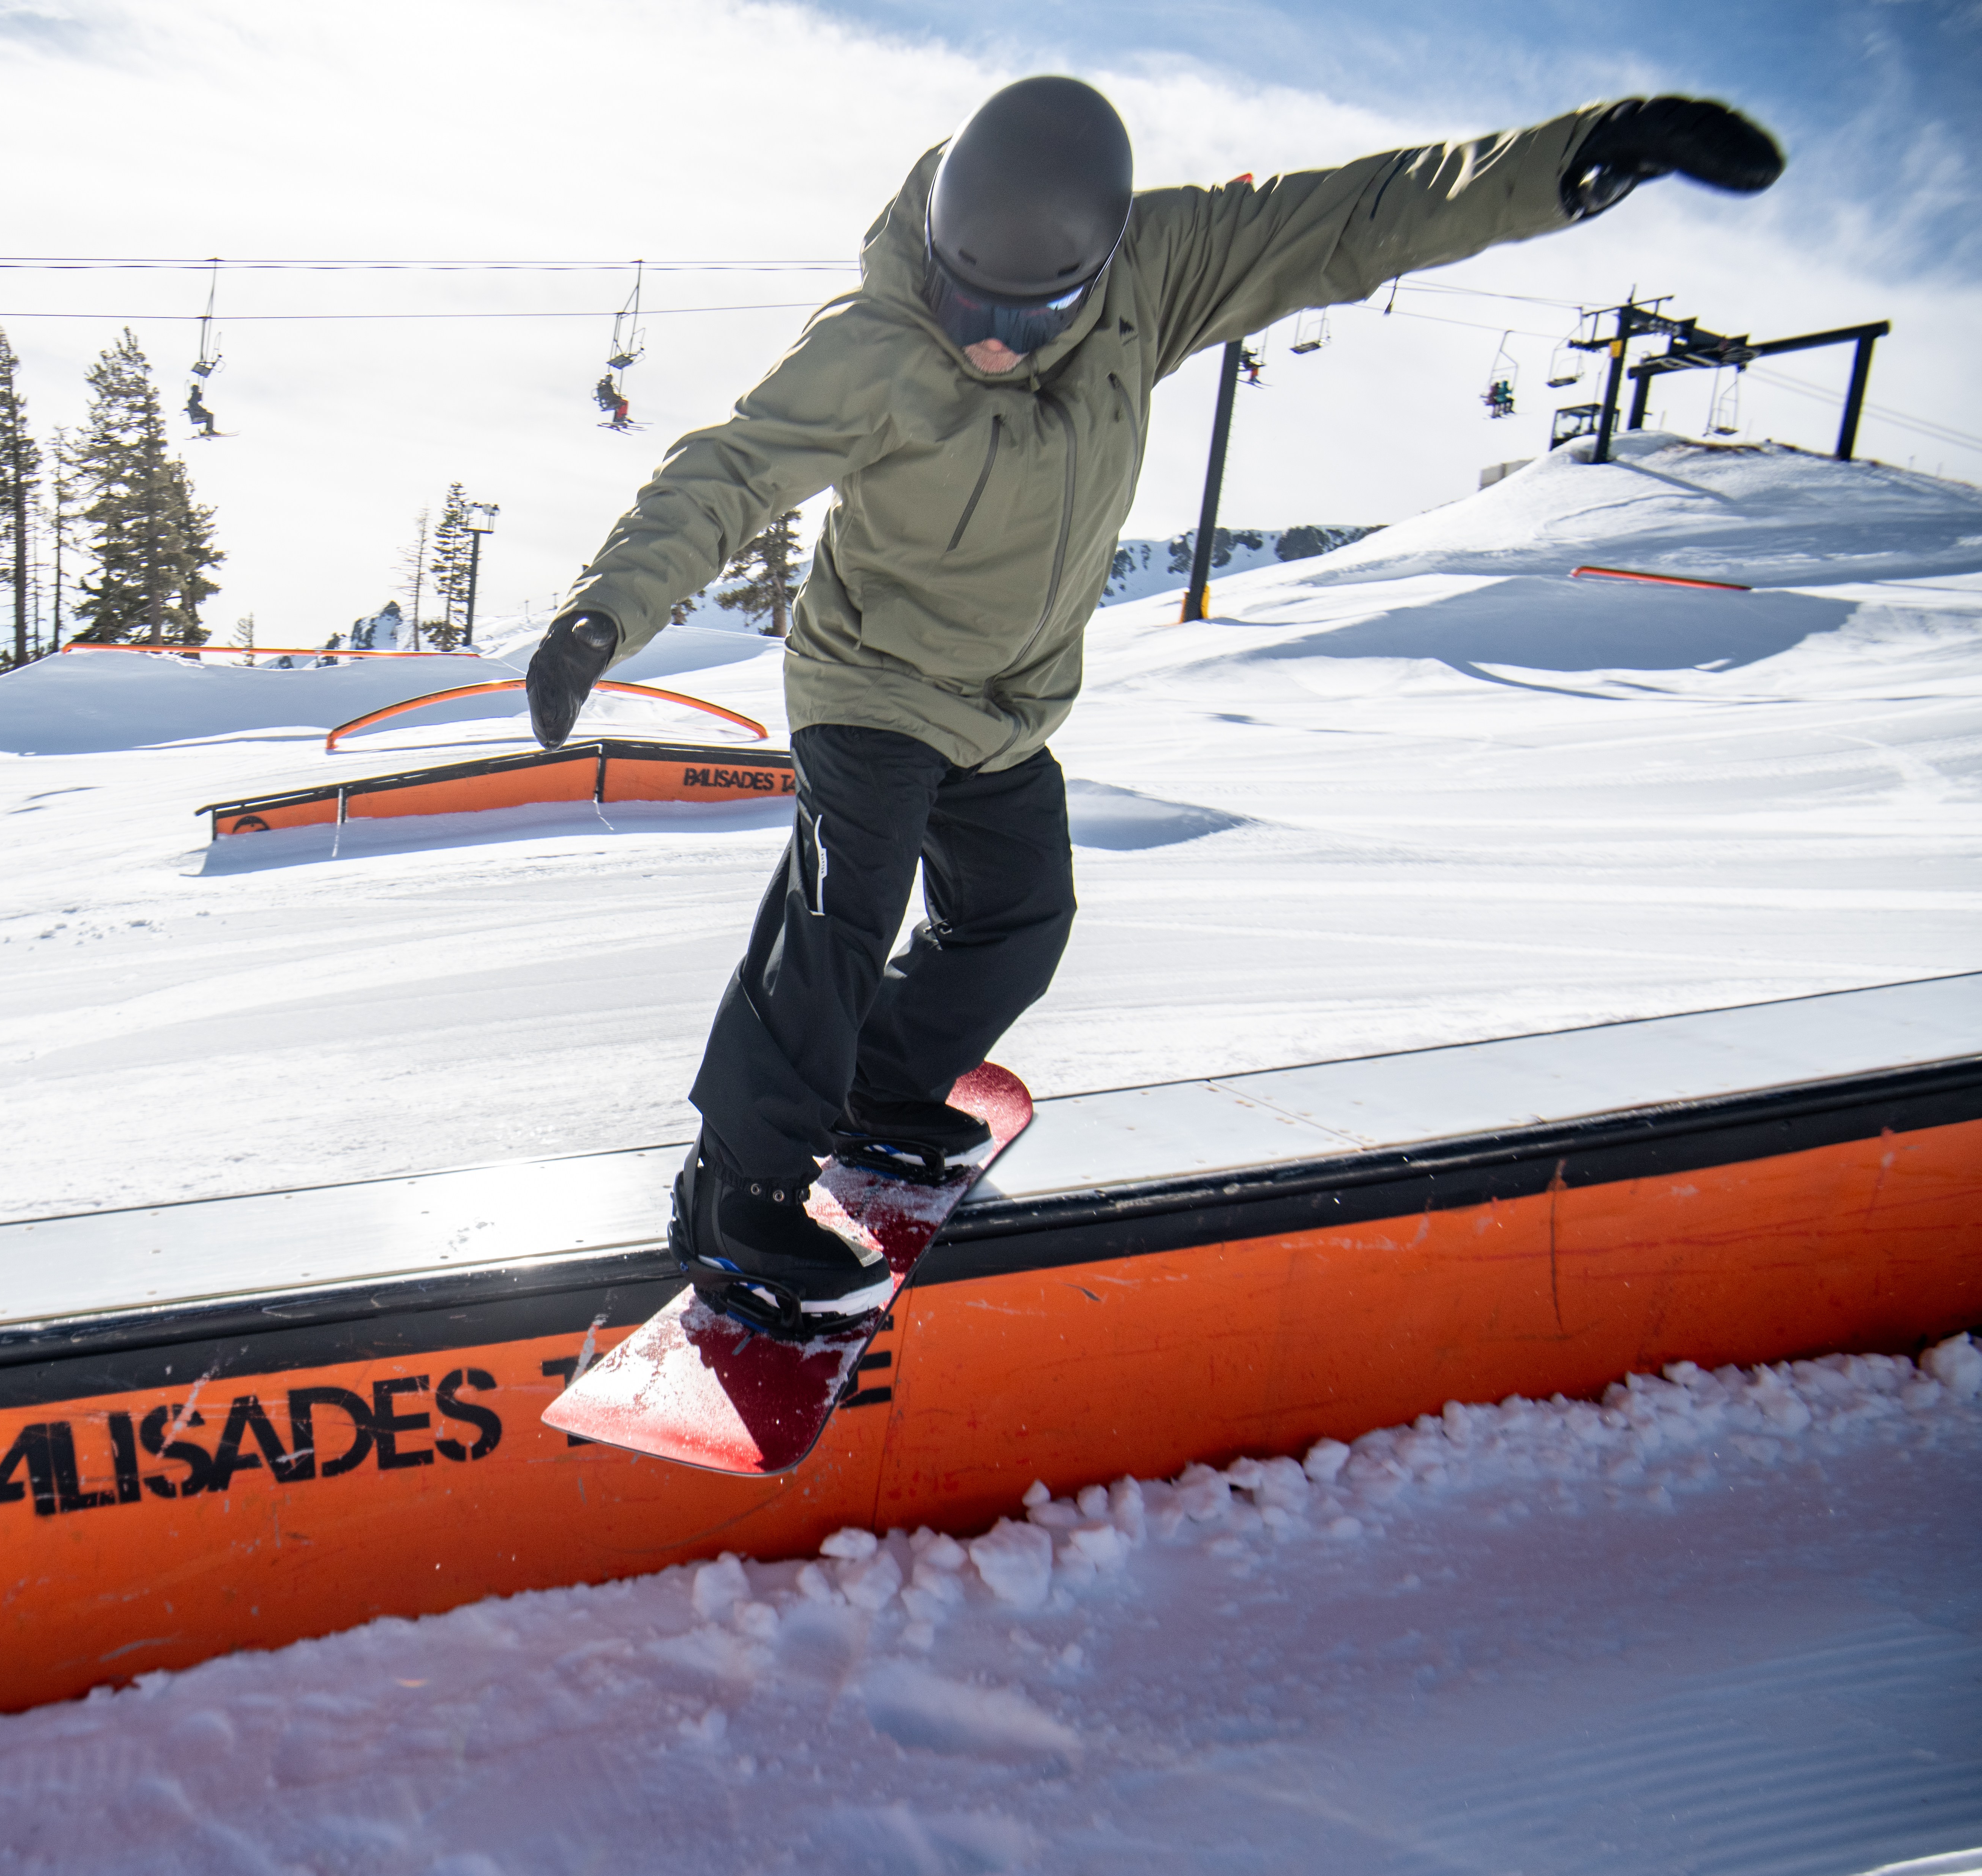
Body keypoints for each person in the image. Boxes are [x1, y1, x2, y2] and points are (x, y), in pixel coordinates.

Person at [520, 79, 1783, 1334]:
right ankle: (735, 1191)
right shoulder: (872, 342)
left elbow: (1356, 216)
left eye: (1028, 318)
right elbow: (726, 471)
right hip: (872, 681)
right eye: (966, 306)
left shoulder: (1158, 271)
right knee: (844, 905)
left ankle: (877, 1089)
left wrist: (1578, 157)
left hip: (1008, 702)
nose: (990, 343)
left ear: (1095, 272)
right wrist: (603, 612)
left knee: (1019, 918)